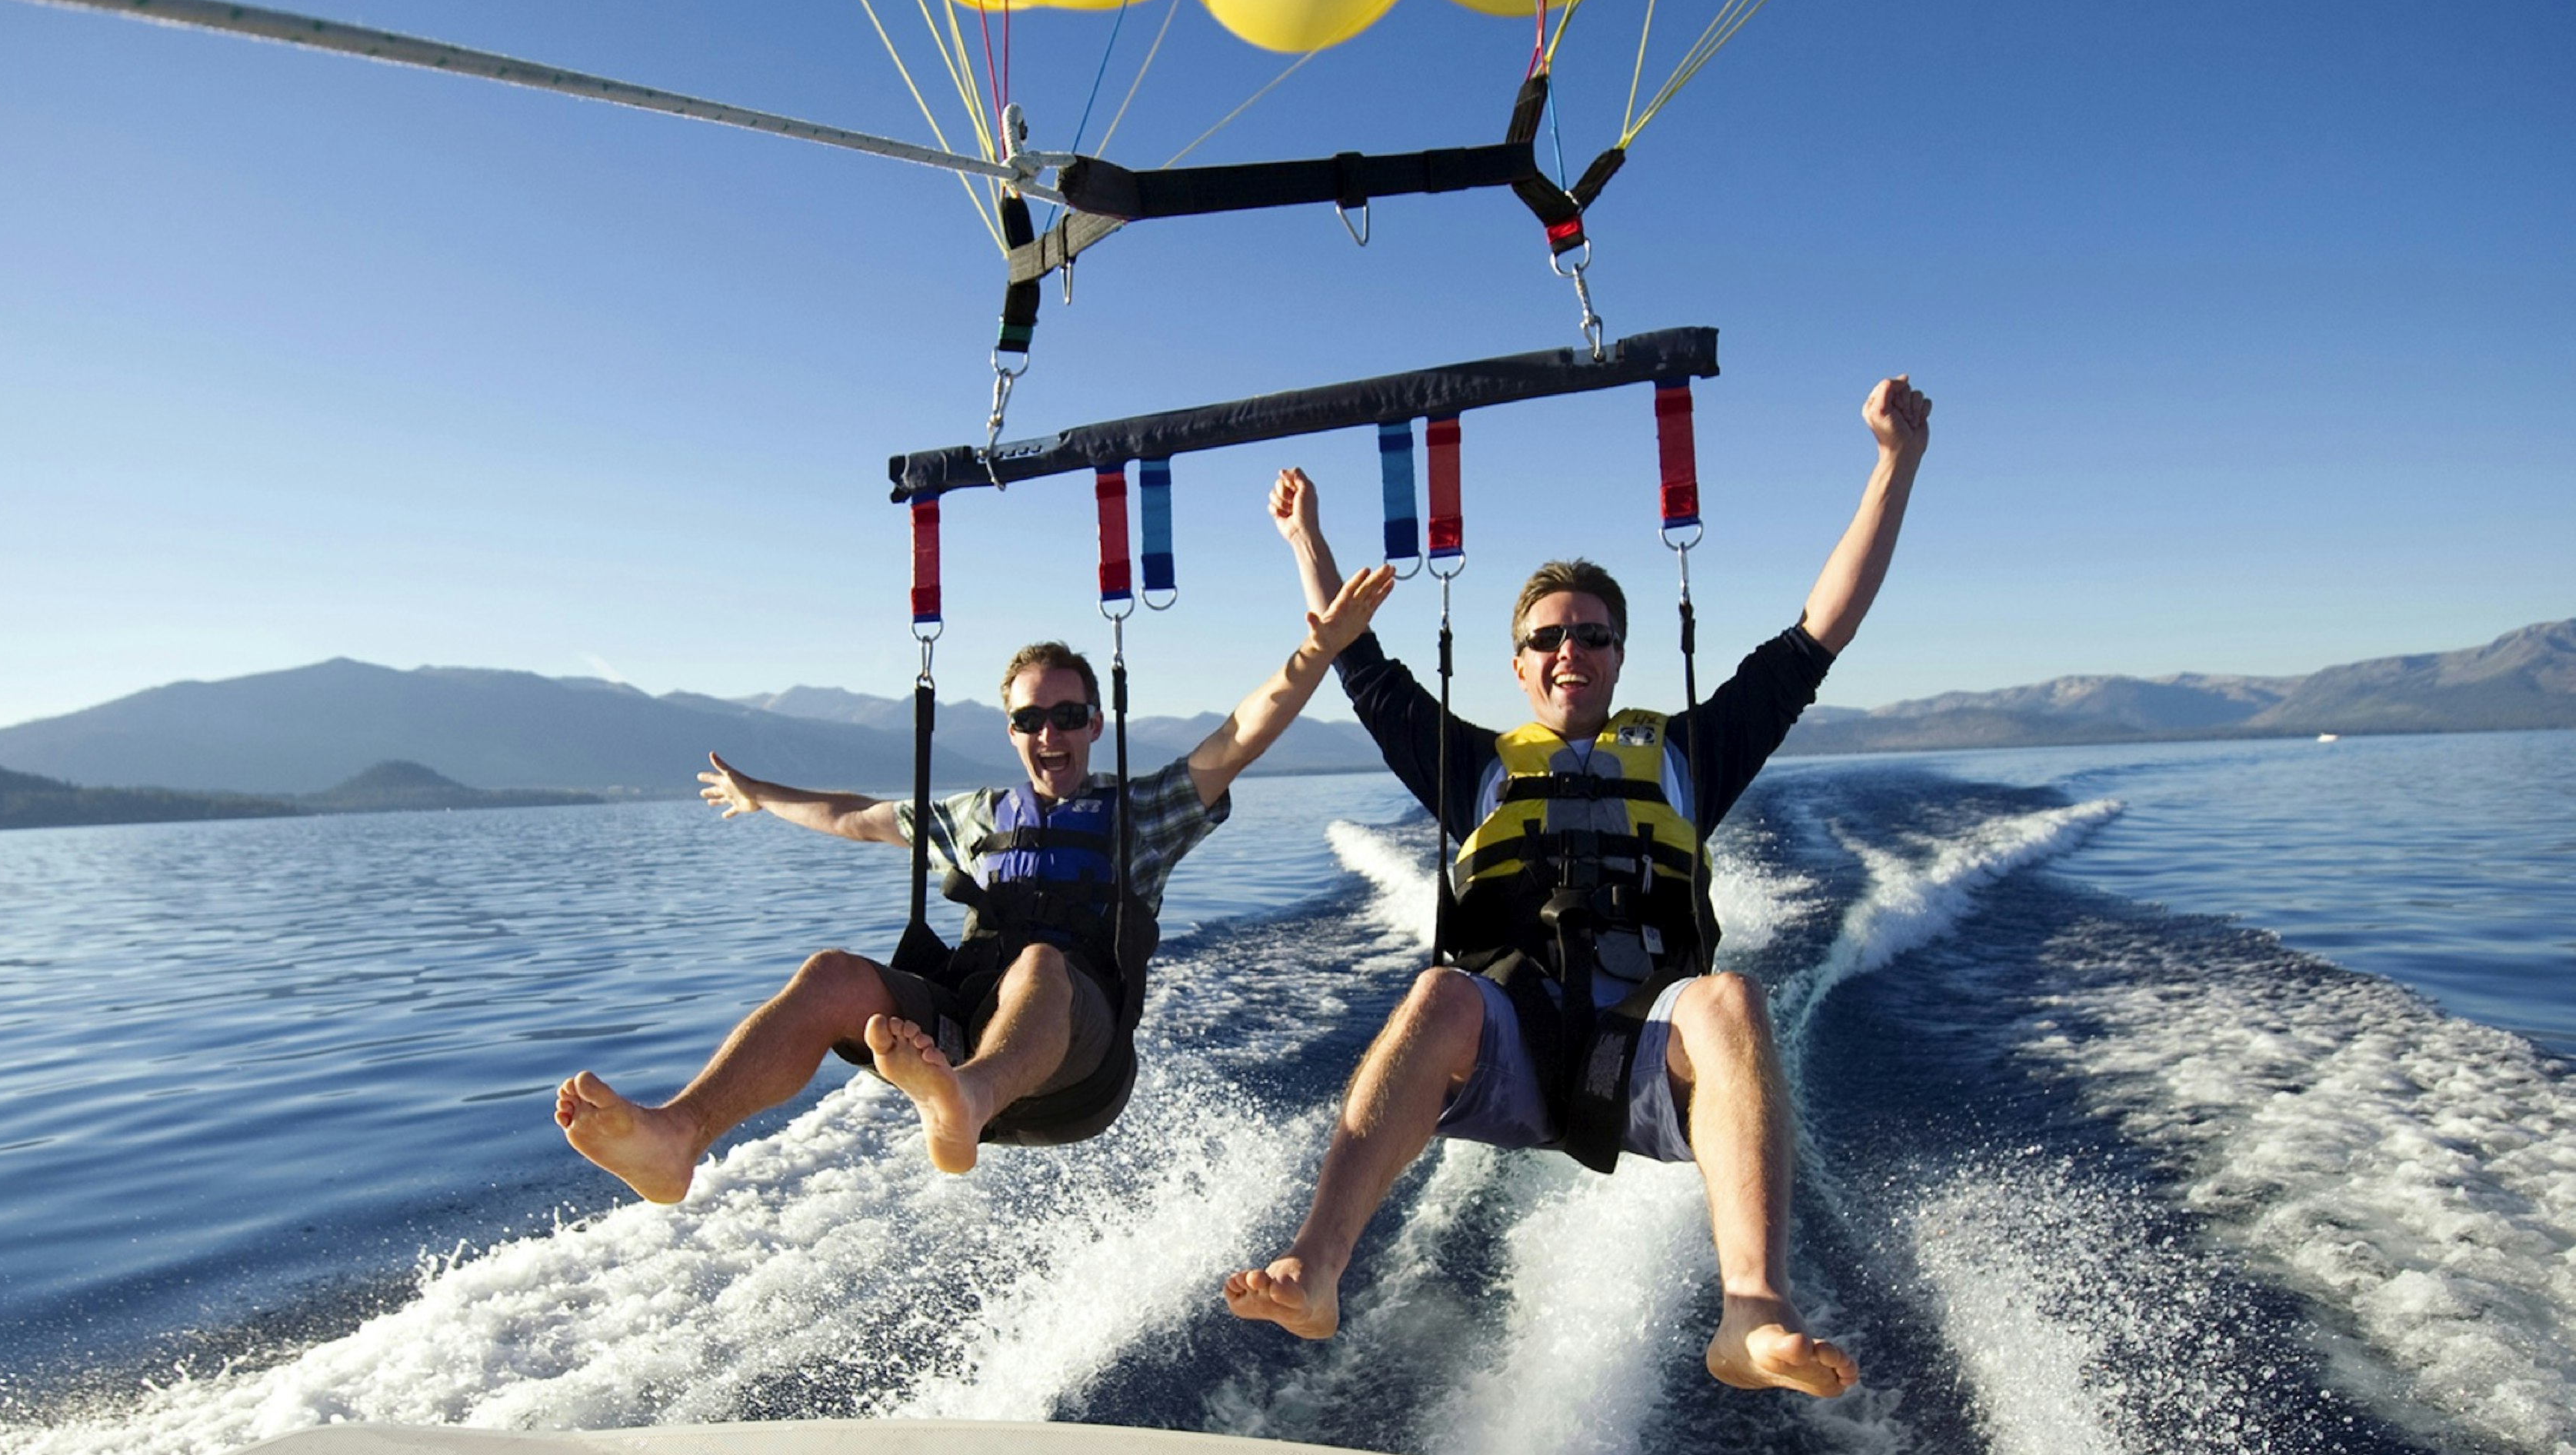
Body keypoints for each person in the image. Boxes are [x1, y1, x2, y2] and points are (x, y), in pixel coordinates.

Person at [1221, 375, 1932, 1400]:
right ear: (1517, 664)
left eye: (1592, 634)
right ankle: (1317, 1271)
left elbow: (1821, 629)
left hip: (1645, 1051)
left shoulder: (1690, 753)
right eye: (1549, 637)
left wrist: (1892, 466)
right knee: (1436, 991)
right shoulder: (1473, 768)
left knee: (1732, 998)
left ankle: (1753, 1313)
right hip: (1506, 1047)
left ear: (1618, 656)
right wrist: (1307, 542)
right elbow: (1360, 662)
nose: (1570, 650)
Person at [555, 561, 1396, 1203]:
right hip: (960, 1038)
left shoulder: (1147, 812)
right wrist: (760, 795)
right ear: (1011, 729)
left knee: (1040, 964)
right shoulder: (972, 816)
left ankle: (964, 1097)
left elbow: (1243, 732)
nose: (1050, 732)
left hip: (1076, 1070)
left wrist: (1320, 646)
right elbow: (854, 816)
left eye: (1068, 715)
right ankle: (679, 1136)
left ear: (1095, 725)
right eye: (1031, 718)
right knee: (831, 975)